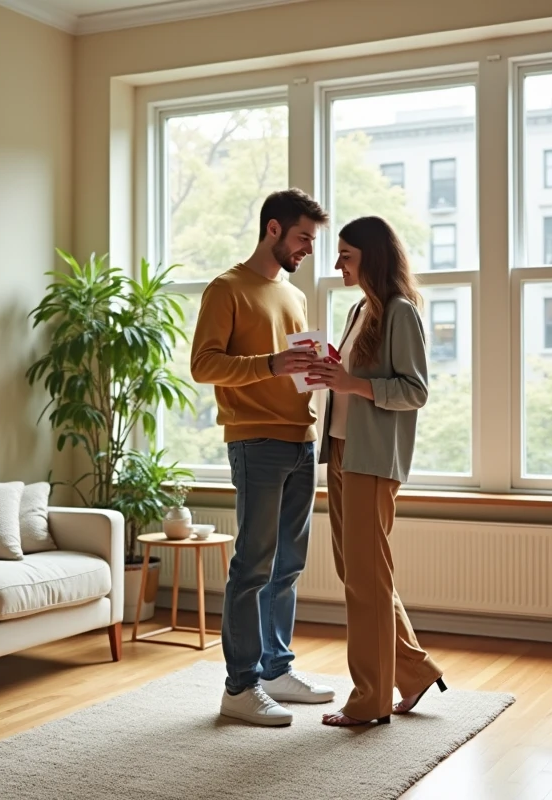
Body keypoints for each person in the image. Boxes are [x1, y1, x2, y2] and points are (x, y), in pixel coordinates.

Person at [190, 188, 336, 727]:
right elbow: (204, 365)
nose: (308, 249)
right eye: (302, 238)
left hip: (302, 438)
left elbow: (287, 367)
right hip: (255, 441)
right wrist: (271, 364)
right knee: (252, 564)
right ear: (273, 229)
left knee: (288, 565)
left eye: (313, 241)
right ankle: (240, 685)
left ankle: (276, 669)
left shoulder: (293, 295)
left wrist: (315, 371)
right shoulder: (226, 288)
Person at [308, 216, 447, 727]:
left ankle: (369, 701)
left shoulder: (399, 313)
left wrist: (351, 383)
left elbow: (415, 391)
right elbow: (351, 383)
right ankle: (414, 672)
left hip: (372, 461)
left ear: (371, 255)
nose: (338, 263)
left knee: (366, 580)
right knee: (358, 574)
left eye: (346, 254)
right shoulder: (358, 310)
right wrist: (330, 374)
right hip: (343, 453)